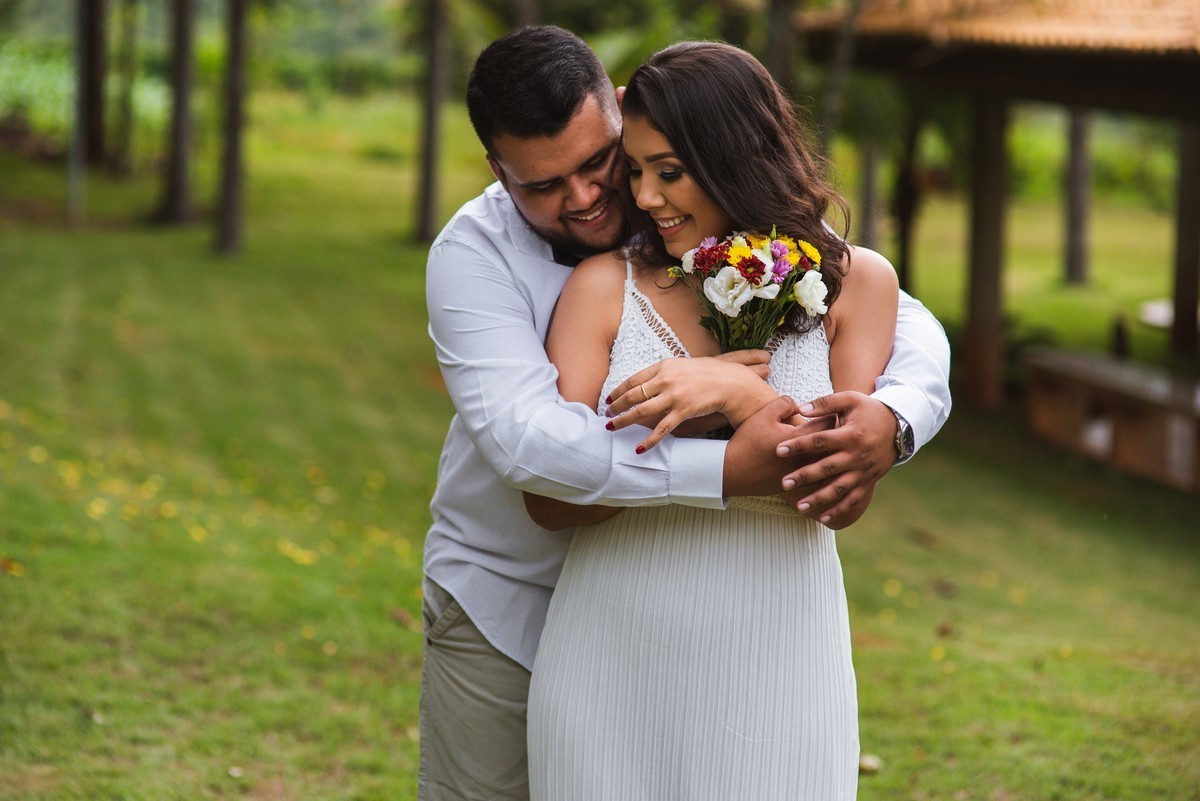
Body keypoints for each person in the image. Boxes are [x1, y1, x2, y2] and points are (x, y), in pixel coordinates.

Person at [423, 26, 951, 801]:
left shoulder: (753, 251)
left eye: (604, 163)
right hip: (508, 596)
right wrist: (728, 455)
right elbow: (533, 452)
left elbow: (907, 328)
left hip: (765, 638)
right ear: (499, 173)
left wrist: (896, 418)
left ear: (624, 112)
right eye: (542, 185)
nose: (592, 196)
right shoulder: (477, 256)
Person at [524, 40, 896, 800]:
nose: (648, 196)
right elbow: (548, 497)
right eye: (635, 171)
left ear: (735, 155)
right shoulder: (603, 287)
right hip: (613, 647)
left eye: (670, 171)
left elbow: (838, 490)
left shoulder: (858, 285)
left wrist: (739, 398)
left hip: (779, 655)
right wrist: (694, 431)